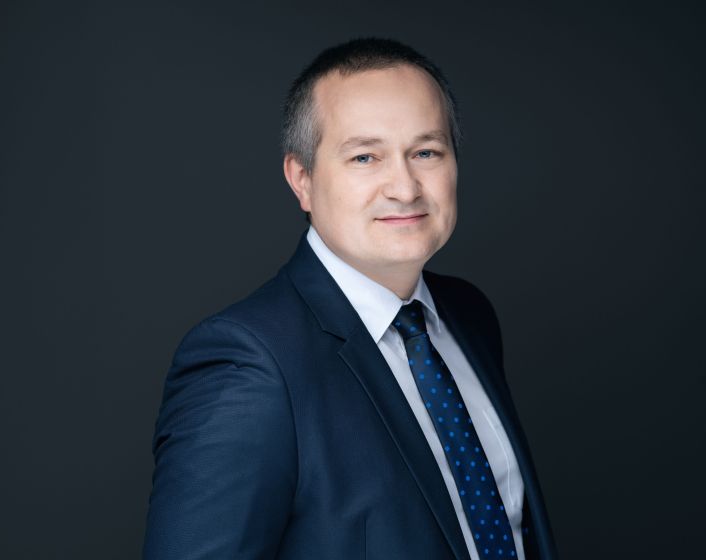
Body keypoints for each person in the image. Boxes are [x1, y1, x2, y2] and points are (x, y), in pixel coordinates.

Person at [143, 37, 557, 560]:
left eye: (426, 153)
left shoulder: (469, 315)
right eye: (365, 157)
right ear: (302, 179)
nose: (405, 188)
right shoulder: (248, 364)